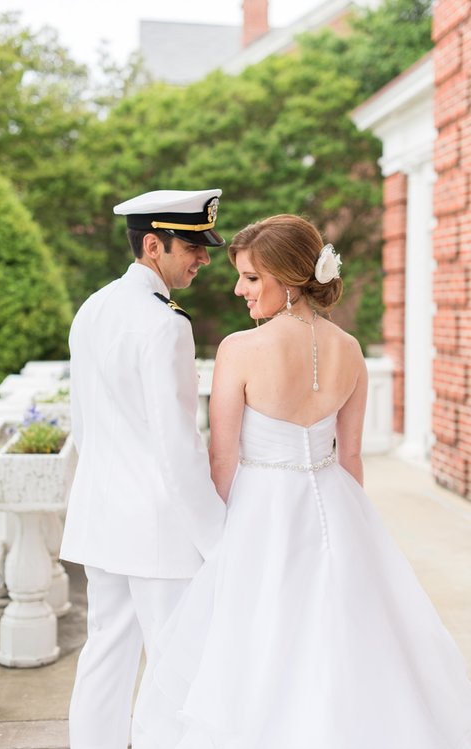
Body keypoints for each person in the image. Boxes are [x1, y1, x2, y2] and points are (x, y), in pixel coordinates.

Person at [132, 214, 471, 748]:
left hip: (261, 508)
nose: (239, 289)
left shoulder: (239, 350)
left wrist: (215, 541)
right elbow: (351, 454)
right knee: (346, 636)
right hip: (335, 500)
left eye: (249, 277)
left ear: (287, 280)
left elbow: (222, 459)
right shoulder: (352, 349)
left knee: (261, 642)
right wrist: (358, 531)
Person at [60, 188, 228, 749]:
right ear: (154, 245)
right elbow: (178, 448)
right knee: (174, 662)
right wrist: (218, 539)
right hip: (157, 524)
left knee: (105, 652)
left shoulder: (92, 308)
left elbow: (81, 425)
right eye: (193, 247)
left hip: (103, 514)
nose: (203, 257)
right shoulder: (165, 325)